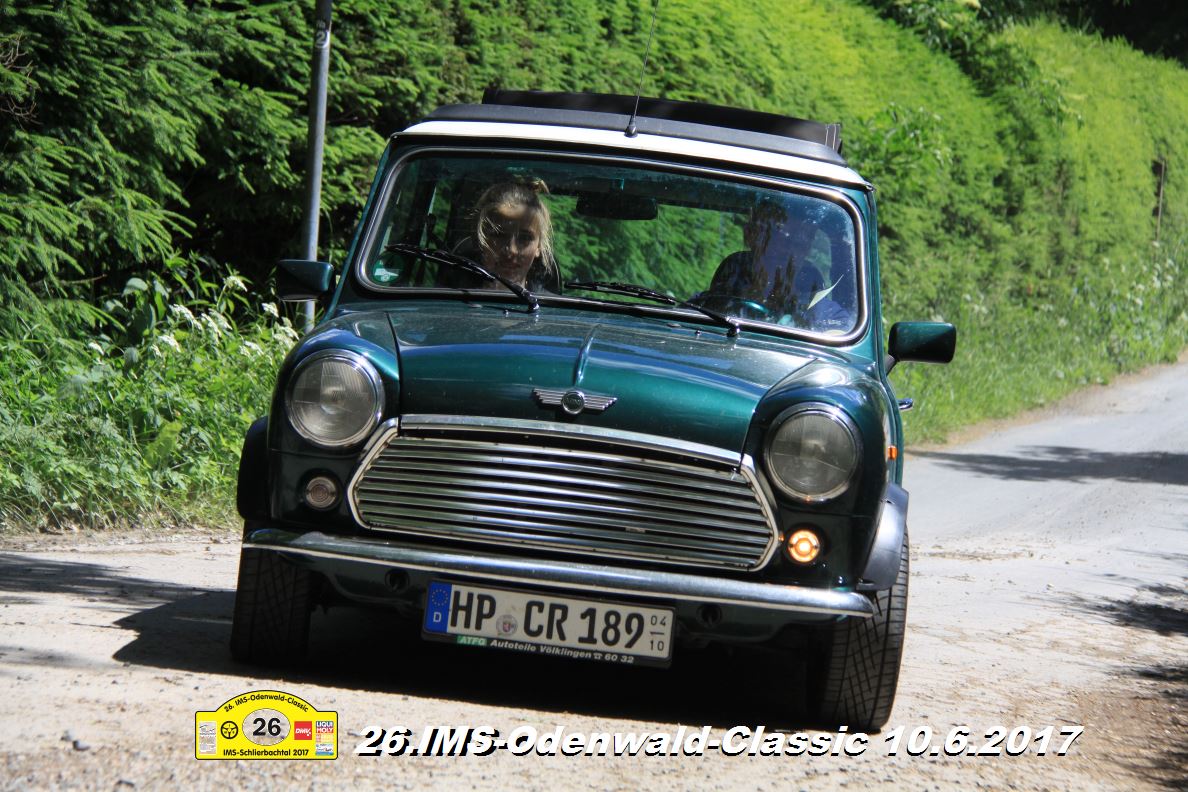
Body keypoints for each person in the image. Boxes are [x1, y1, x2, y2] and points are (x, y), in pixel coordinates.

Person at [702, 201, 852, 331]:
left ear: (807, 249)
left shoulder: (823, 313)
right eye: (776, 234)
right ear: (752, 237)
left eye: (799, 241)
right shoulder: (713, 301)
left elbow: (839, 336)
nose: (787, 249)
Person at [457, 178, 560, 292]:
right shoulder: (447, 298)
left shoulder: (549, 303)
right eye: (499, 235)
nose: (512, 250)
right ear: (479, 240)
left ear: (539, 247)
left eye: (525, 238)